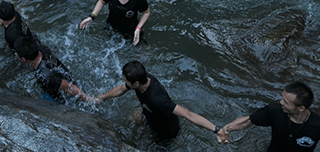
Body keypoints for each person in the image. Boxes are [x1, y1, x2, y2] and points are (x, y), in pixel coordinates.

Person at [97, 61, 228, 143]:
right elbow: (121, 89)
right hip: (150, 114)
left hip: (166, 133)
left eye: (126, 81)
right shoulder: (143, 79)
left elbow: (188, 114)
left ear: (136, 83)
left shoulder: (157, 99)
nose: (125, 83)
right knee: (132, 117)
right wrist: (100, 98)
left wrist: (216, 130)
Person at [222, 81, 320, 151]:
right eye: (282, 98)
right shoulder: (275, 111)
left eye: (285, 102)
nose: (281, 102)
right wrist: (226, 129)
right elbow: (248, 121)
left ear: (301, 108)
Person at [14, 36, 93, 103]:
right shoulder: (42, 49)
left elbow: (69, 88)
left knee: (32, 102)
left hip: (63, 98)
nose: (15, 54)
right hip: (68, 77)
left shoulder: (44, 77)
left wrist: (90, 100)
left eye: (17, 53)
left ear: (23, 59)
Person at [79, 0, 150, 45]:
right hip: (111, 27)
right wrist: (92, 16)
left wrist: (138, 28)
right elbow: (102, 2)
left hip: (131, 30)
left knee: (141, 49)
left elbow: (146, 12)